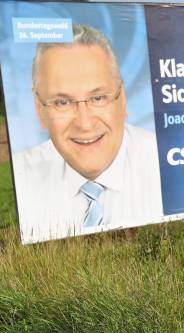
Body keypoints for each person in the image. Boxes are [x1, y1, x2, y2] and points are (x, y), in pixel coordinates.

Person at [13, 23, 162, 243]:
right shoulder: (23, 178)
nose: (84, 123)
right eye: (62, 102)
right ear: (39, 108)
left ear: (122, 99)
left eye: (98, 98)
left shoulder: (165, 164)